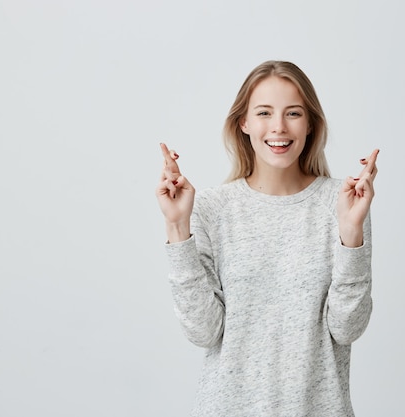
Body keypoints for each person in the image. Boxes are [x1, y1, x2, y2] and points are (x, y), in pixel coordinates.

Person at [156, 60, 379, 417]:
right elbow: (203, 332)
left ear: (310, 125)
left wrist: (351, 234)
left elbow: (347, 328)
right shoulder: (212, 208)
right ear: (243, 123)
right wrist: (177, 229)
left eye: (293, 113)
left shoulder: (342, 203)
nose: (278, 127)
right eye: (263, 112)